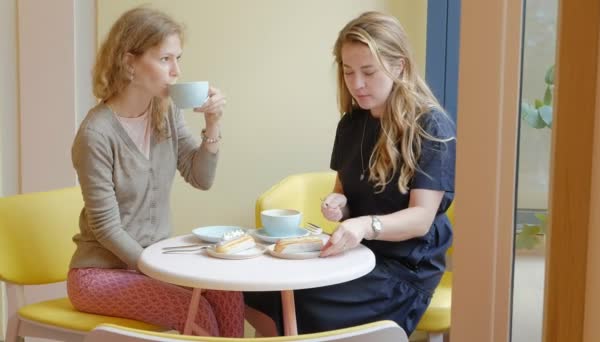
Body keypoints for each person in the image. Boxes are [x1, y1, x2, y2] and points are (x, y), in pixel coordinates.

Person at [244, 11, 455, 336]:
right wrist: (337, 204)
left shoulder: (430, 127)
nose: (356, 84)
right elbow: (343, 193)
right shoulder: (352, 124)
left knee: (299, 304)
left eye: (368, 72)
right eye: (348, 72)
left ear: (399, 66)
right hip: (355, 256)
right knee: (257, 292)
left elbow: (420, 219)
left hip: (403, 269)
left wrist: (363, 225)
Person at [67, 7, 243, 337]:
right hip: (100, 274)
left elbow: (200, 177)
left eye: (178, 58)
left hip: (155, 263)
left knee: (227, 294)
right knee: (195, 312)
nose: (176, 71)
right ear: (129, 62)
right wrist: (159, 270)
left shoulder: (166, 111)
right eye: (165, 59)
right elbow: (106, 227)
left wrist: (213, 124)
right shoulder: (96, 135)